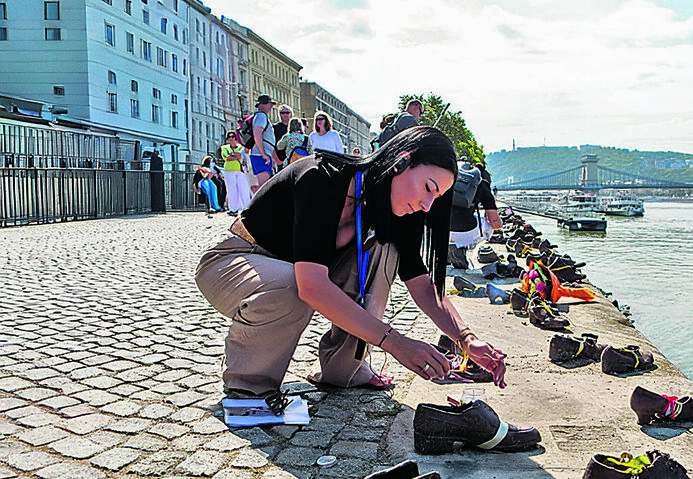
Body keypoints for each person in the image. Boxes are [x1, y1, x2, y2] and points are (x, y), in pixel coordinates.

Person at [194, 126, 507, 406]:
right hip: (236, 259)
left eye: (436, 198)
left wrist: (466, 339)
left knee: (385, 249)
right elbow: (311, 286)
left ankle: (345, 369)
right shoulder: (320, 177)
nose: (427, 205)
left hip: (293, 271)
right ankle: (249, 389)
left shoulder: (402, 210)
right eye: (428, 187)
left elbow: (424, 285)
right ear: (400, 163)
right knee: (295, 282)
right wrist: (396, 342)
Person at [448, 160, 501, 268]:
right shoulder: (482, 185)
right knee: (489, 226)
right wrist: (498, 222)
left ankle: (445, 250)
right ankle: (461, 246)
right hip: (466, 232)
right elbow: (496, 225)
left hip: (438, 230)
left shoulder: (445, 178)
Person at [251, 94, 279, 188]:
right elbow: (257, 134)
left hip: (262, 154)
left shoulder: (261, 116)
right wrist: (264, 154)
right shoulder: (261, 116)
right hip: (260, 155)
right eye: (269, 104)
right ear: (261, 105)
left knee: (264, 184)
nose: (271, 106)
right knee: (263, 186)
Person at [220, 130, 251, 212]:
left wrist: (232, 155)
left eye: (233, 136)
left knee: (244, 189)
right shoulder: (224, 148)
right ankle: (233, 208)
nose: (231, 138)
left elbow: (241, 156)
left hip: (241, 170)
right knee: (231, 190)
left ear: (235, 138)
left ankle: (246, 207)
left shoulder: (241, 147)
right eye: (229, 137)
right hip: (229, 171)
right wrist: (236, 156)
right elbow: (227, 157)